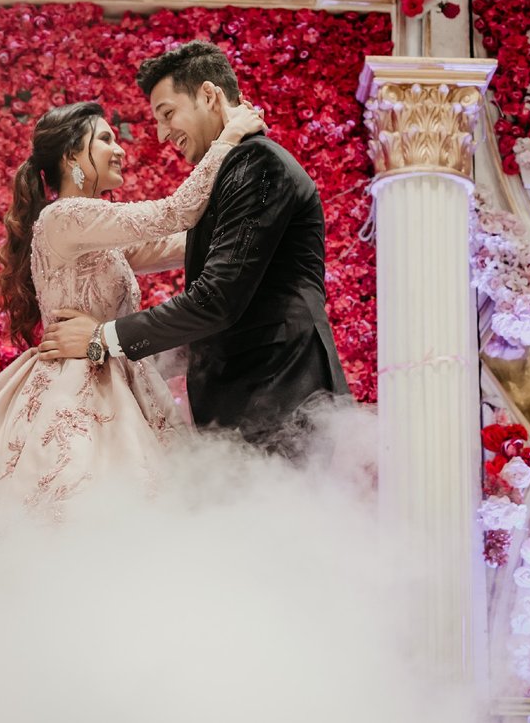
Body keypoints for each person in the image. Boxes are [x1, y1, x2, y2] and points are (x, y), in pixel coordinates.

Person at [0, 99, 264, 548]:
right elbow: (174, 212)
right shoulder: (64, 216)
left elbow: (184, 242)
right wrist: (227, 138)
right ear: (71, 157)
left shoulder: (97, 234)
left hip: (116, 374)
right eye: (105, 139)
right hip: (75, 388)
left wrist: (251, 218)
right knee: (82, 518)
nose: (120, 149)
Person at [40, 41, 348, 455]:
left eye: (167, 114)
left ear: (208, 96)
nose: (161, 134)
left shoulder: (256, 163)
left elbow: (215, 298)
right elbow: (191, 249)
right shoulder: (71, 219)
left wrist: (102, 339)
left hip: (282, 393)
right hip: (244, 403)